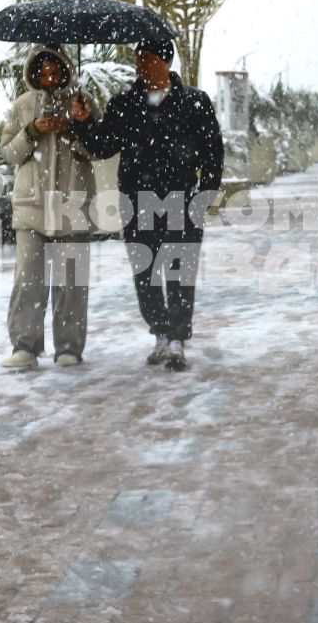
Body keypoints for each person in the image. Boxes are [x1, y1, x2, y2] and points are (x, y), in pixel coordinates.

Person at [71, 37, 223, 372]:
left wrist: (205, 193)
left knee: (179, 272)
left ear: (166, 61)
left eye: (148, 58)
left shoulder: (194, 102)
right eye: (139, 58)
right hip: (136, 201)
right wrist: (83, 121)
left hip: (183, 200)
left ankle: (178, 339)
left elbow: (213, 151)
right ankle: (160, 334)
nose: (141, 64)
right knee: (146, 273)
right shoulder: (125, 103)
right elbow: (103, 145)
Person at [0, 46, 101, 371]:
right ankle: (24, 346)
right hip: (33, 205)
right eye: (42, 72)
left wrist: (75, 127)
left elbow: (97, 148)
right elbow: (9, 154)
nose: (49, 77)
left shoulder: (83, 103)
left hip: (72, 203)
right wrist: (33, 131)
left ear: (66, 70)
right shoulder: (22, 106)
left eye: (55, 71)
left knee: (71, 281)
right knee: (29, 278)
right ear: (33, 74)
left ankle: (69, 346)